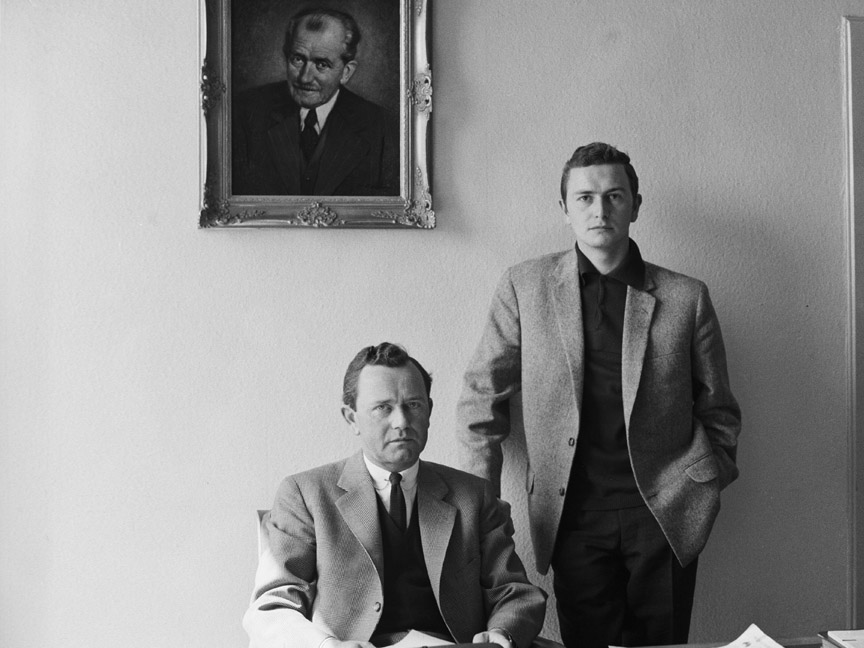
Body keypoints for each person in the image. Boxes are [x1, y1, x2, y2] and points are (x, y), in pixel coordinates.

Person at [456, 143, 741, 648]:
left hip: (665, 512)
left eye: (614, 195)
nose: (600, 210)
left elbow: (719, 409)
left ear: (636, 203)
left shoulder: (686, 298)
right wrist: (484, 504)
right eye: (584, 197)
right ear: (563, 208)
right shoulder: (525, 287)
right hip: (572, 518)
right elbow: (481, 399)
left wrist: (704, 483)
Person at [243, 343, 546, 648]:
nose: (401, 421)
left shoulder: (473, 496)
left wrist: (502, 634)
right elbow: (272, 606)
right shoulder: (306, 494)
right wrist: (326, 646)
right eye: (383, 407)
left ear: (429, 410)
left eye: (413, 405)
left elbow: (514, 592)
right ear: (351, 418)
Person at [232, 8, 398, 196]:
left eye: (322, 64)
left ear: (346, 72)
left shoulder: (383, 128)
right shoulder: (245, 112)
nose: (305, 78)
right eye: (297, 59)